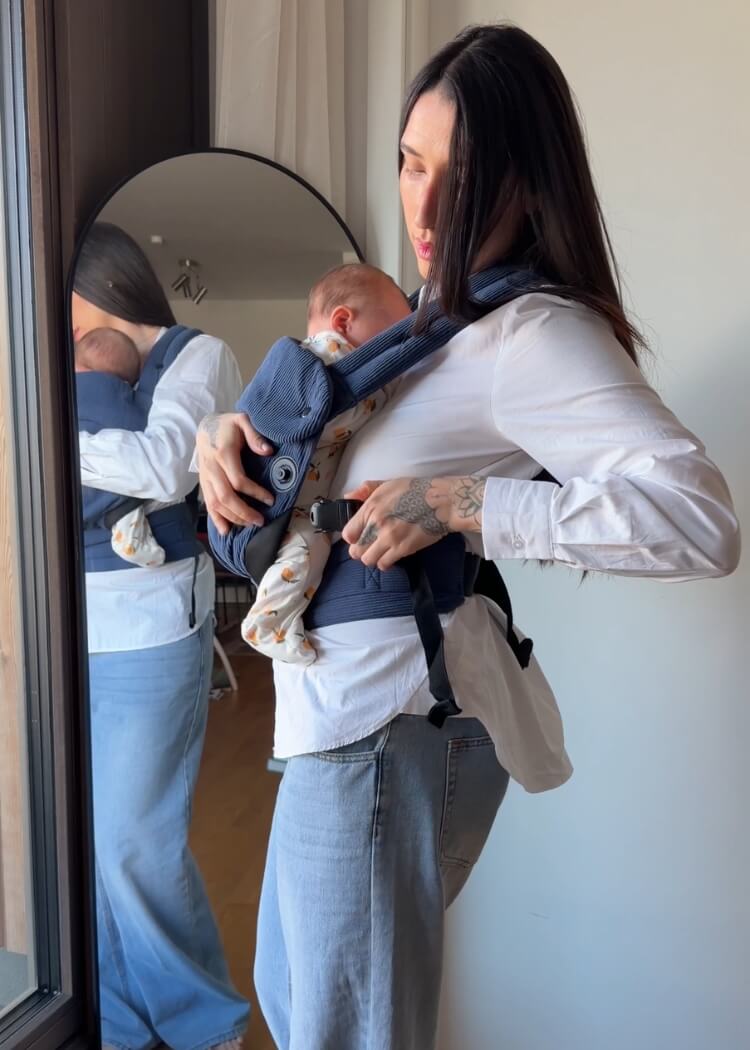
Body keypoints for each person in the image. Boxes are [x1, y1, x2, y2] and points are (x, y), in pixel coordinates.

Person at [195, 25, 740, 1050]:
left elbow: (701, 521)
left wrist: (459, 503)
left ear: (528, 188)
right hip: (343, 733)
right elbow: (336, 449)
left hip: (383, 737)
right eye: (412, 163)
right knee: (299, 1001)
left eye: (465, 177)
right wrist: (228, 435)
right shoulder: (423, 328)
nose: (426, 207)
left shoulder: (528, 333)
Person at [72, 222, 249, 1050]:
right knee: (89, 849)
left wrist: (47, 441)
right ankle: (120, 1027)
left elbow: (163, 467)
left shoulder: (197, 356)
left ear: (98, 284)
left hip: (149, 624)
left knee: (134, 843)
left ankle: (205, 1025)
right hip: (67, 627)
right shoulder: (69, 373)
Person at [241, 262, 412, 663]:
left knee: (312, 548)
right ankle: (266, 621)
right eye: (393, 334)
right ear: (343, 322)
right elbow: (334, 415)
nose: (398, 347)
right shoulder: (326, 356)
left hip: (302, 491)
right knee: (307, 551)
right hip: (292, 503)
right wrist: (393, 388)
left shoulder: (313, 363)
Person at [75, 326, 165, 567]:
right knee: (128, 501)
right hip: (114, 494)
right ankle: (130, 538)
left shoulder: (66, 390)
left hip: (75, 488)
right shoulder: (126, 397)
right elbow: (141, 426)